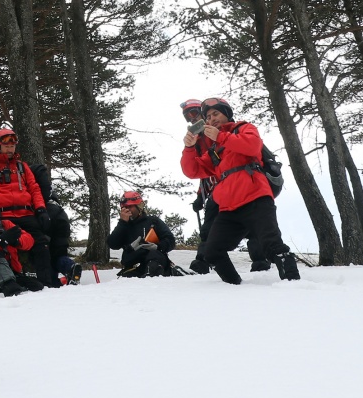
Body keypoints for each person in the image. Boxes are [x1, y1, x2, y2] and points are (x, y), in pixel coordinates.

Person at [181, 96, 300, 285]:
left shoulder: (244, 128)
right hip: (229, 208)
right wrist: (188, 148)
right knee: (212, 252)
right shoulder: (214, 149)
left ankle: (294, 284)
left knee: (272, 244)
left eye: (216, 113)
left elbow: (252, 146)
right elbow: (192, 171)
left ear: (227, 113)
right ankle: (235, 287)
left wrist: (220, 137)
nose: (212, 119)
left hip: (256, 198)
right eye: (208, 117)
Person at [180, 98, 270, 275]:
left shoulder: (229, 129)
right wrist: (200, 195)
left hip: (244, 180)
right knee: (209, 225)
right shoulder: (197, 138)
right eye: (188, 116)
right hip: (218, 186)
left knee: (254, 221)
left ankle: (260, 260)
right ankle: (202, 261)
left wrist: (219, 135)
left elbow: (247, 147)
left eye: (195, 113)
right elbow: (201, 169)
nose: (192, 118)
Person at [0, 125, 57, 287]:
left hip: (27, 215)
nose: (10, 149)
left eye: (12, 146)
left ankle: (48, 284)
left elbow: (34, 189)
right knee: (5, 247)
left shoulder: (22, 167)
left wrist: (40, 209)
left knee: (41, 244)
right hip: (3, 217)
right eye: (6, 146)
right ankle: (10, 282)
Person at [31, 163, 80, 285]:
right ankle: (70, 267)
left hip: (47, 216)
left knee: (46, 254)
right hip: (61, 215)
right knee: (59, 253)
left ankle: (52, 282)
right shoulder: (47, 185)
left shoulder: (32, 184)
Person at [108, 190, 177, 277]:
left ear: (139, 206)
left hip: (155, 262)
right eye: (124, 207)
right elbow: (113, 244)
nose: (127, 210)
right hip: (133, 267)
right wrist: (122, 223)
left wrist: (158, 246)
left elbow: (170, 241)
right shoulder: (123, 226)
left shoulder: (153, 222)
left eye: (130, 207)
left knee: (154, 256)